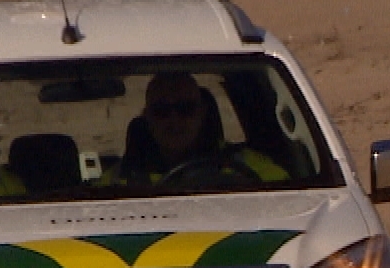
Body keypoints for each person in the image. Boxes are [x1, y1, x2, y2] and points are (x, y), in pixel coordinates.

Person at [115, 72, 287, 188]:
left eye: (185, 108)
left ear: (202, 113)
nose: (174, 120)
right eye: (161, 110)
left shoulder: (249, 167)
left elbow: (292, 197)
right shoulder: (117, 180)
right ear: (147, 118)